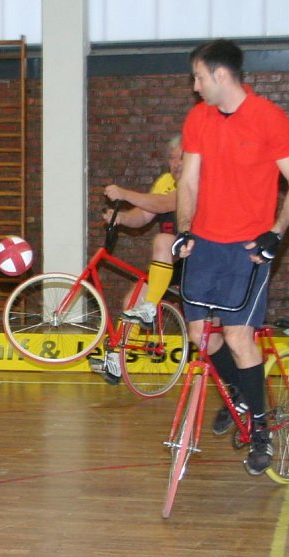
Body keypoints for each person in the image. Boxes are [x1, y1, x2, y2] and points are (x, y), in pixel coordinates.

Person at [173, 40, 289, 475]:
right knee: (202, 336)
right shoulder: (198, 119)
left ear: (220, 75)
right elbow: (188, 182)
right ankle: (239, 392)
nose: (194, 86)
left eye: (198, 76)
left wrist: (275, 233)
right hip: (205, 246)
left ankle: (261, 426)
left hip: (248, 250)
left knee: (236, 336)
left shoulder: (269, 118)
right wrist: (182, 231)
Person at [89, 135, 182, 385]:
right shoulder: (165, 181)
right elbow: (143, 215)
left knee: (163, 240)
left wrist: (124, 193)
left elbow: (164, 204)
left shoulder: (196, 181)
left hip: (198, 256)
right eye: (172, 158)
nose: (176, 163)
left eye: (181, 157)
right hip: (170, 260)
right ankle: (116, 363)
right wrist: (120, 218)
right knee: (131, 300)